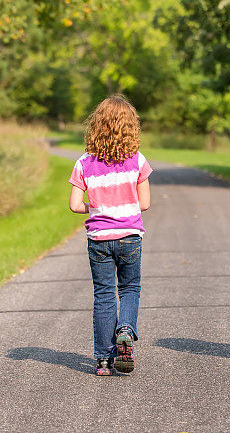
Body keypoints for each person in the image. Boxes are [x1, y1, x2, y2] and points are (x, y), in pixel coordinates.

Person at [68, 95, 152, 376]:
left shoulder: (83, 163)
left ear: (96, 126)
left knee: (104, 295)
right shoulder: (137, 160)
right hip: (129, 236)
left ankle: (104, 360)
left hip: (99, 238)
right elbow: (145, 203)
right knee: (129, 288)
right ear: (131, 127)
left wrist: (97, 206)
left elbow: (74, 205)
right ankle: (126, 329)